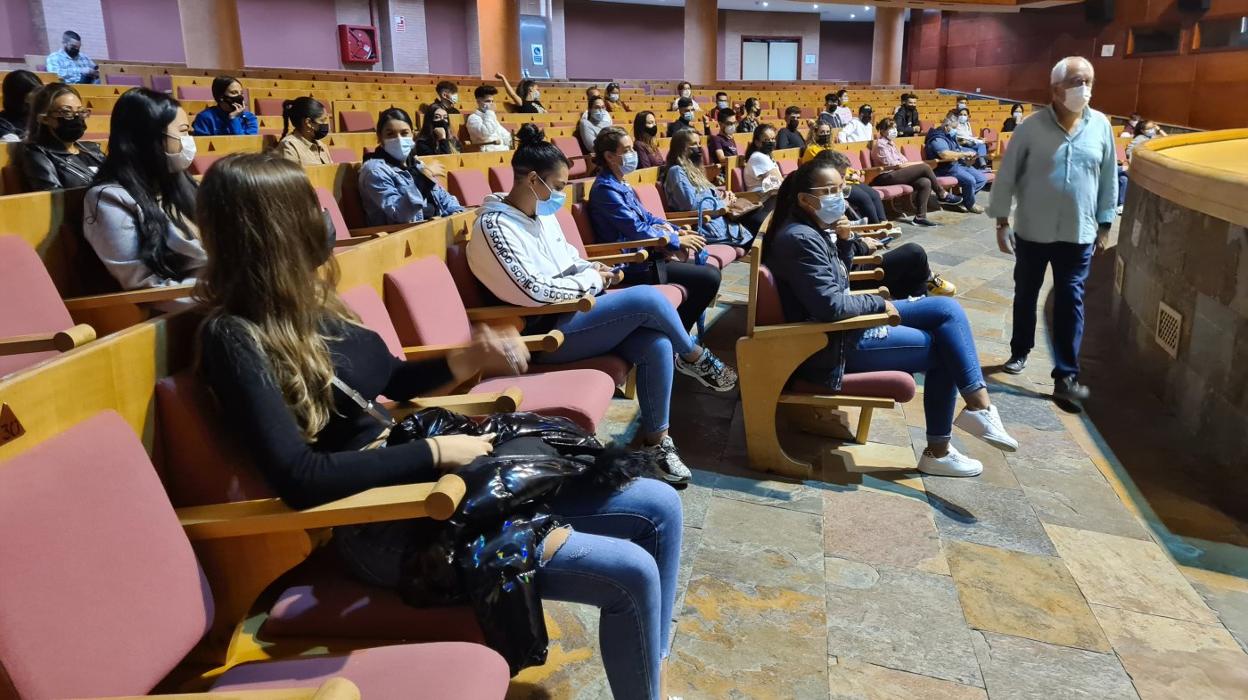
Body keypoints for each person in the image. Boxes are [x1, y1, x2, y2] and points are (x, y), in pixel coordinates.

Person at [195, 152, 685, 700]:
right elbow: (299, 478)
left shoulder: (312, 305)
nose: (324, 220)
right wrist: (436, 455)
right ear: (275, 227)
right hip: (386, 520)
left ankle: (648, 672)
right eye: (307, 206)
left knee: (660, 506)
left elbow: (393, 378)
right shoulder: (235, 338)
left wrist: (467, 360)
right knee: (629, 572)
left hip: (439, 488)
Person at [471, 124, 737, 483]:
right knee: (646, 298)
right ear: (533, 180)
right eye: (560, 187)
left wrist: (590, 267)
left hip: (576, 313)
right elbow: (532, 290)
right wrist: (593, 280)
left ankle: (658, 443)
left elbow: (568, 257)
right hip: (542, 333)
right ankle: (693, 356)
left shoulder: (541, 215)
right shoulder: (495, 225)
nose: (561, 196)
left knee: (655, 342)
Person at [764, 158, 1018, 477]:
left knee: (947, 310)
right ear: (804, 199)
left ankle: (977, 409)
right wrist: (880, 305)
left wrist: (844, 243)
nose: (839, 198)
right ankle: (945, 443)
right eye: (829, 191)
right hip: (829, 345)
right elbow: (829, 306)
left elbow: (836, 280)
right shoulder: (800, 238)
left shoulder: (810, 229)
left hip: (835, 333)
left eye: (841, 189)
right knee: (945, 349)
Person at [989, 56, 1118, 412]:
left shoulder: (1101, 126)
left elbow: (1109, 178)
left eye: (1089, 81)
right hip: (1032, 229)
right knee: (1026, 293)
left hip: (1079, 232)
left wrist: (1105, 225)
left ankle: (1065, 374)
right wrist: (1002, 221)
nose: (1085, 88)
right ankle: (1020, 349)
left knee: (1070, 300)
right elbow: (1007, 175)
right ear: (1056, 88)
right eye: (1077, 81)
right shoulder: (1030, 127)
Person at [588, 126, 728, 334]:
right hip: (630, 263)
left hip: (647, 255)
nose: (632, 154)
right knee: (708, 278)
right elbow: (636, 229)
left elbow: (648, 217)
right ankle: (677, 337)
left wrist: (677, 230)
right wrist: (674, 240)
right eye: (626, 150)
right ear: (609, 156)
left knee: (708, 275)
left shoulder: (621, 184)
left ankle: (677, 334)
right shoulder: (605, 190)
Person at [82, 88, 204, 291]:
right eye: (183, 132)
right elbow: (143, 284)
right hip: (185, 307)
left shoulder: (181, 183)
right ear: (149, 139)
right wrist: (222, 292)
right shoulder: (109, 198)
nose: (189, 140)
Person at [813, 150, 956, 298]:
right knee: (914, 253)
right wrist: (861, 245)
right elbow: (833, 259)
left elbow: (840, 242)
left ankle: (921, 299)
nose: (843, 184)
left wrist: (858, 238)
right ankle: (926, 286)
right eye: (839, 180)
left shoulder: (825, 213)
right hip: (856, 273)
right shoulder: (812, 225)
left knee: (911, 276)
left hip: (855, 263)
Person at [358, 108, 465, 226]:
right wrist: (424, 178)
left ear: (412, 134)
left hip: (433, 228)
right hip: (401, 237)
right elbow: (399, 214)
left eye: (404, 133)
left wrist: (458, 214)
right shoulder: (374, 171)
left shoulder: (417, 164)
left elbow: (444, 198)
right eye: (390, 134)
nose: (398, 139)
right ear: (380, 138)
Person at [663, 128, 759, 245]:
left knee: (763, 222)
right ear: (681, 148)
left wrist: (724, 195)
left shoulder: (695, 171)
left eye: (699, 143)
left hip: (721, 221)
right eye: (693, 144)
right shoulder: (677, 172)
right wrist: (723, 203)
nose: (698, 148)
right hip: (707, 227)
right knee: (760, 230)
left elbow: (708, 194)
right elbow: (691, 205)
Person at [872, 117, 964, 226]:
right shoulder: (880, 144)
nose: (894, 130)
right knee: (924, 167)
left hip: (896, 173)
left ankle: (920, 217)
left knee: (925, 182)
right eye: (890, 128)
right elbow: (895, 165)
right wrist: (917, 164)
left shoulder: (891, 143)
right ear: (882, 131)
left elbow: (903, 160)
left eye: (895, 127)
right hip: (885, 176)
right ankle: (941, 193)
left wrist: (913, 164)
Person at [17, 83, 104, 191]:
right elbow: (55, 197)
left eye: (80, 111)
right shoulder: (38, 154)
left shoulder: (92, 150)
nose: (76, 118)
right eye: (67, 112)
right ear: (45, 119)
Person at [925, 113, 987, 214]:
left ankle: (960, 200)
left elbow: (957, 149)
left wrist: (969, 155)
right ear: (946, 127)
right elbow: (944, 154)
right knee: (970, 180)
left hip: (956, 164)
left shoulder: (949, 135)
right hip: (945, 168)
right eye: (954, 127)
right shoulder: (938, 138)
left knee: (981, 179)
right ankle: (970, 204)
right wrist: (963, 154)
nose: (956, 130)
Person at [191, 76, 258, 136]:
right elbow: (203, 145)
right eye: (234, 92)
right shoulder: (205, 117)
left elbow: (245, 143)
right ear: (221, 96)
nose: (239, 96)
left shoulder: (249, 118)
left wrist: (233, 118)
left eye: (241, 93)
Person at [275, 97, 332, 166]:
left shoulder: (320, 145)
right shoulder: (289, 147)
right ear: (308, 123)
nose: (327, 124)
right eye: (322, 120)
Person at [465, 85, 512, 153]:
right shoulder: (473, 118)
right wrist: (490, 112)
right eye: (488, 101)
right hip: (487, 153)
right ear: (478, 101)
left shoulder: (491, 117)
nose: (491, 104)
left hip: (502, 150)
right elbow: (484, 133)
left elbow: (505, 135)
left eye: (492, 101)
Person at [0, 70, 41, 142]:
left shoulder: (43, 118)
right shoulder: (3, 124)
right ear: (21, 95)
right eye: (36, 91)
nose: (42, 95)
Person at [743, 124, 782, 194]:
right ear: (757, 142)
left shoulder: (766, 156)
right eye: (767, 140)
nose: (771, 142)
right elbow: (776, 182)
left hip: (769, 195)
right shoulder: (758, 157)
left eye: (773, 139)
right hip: (759, 199)